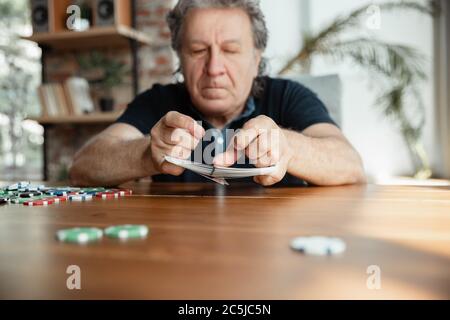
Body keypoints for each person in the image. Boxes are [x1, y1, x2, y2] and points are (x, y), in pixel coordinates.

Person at [69, 0, 366, 187]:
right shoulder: (159, 102)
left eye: (231, 50)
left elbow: (351, 165)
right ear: (180, 58)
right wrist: (147, 154)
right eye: (198, 50)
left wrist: (288, 146)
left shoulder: (289, 96)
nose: (214, 68)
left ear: (256, 57)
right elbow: (83, 168)